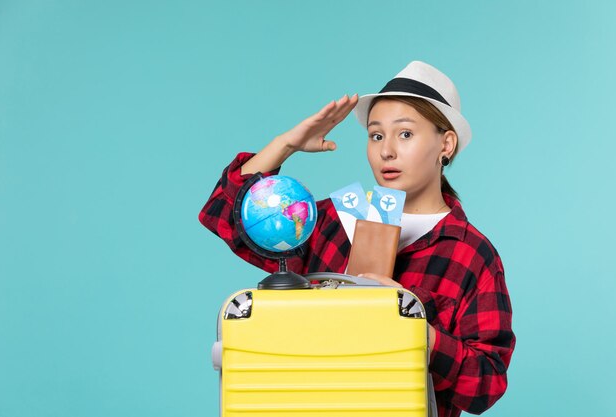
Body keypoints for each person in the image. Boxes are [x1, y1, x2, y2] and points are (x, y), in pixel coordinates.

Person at [199, 60, 515, 417]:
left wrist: (415, 332)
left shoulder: (471, 254)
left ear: (447, 144)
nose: (386, 151)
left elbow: (487, 385)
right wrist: (286, 144)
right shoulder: (334, 221)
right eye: (376, 135)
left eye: (405, 134)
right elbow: (223, 214)